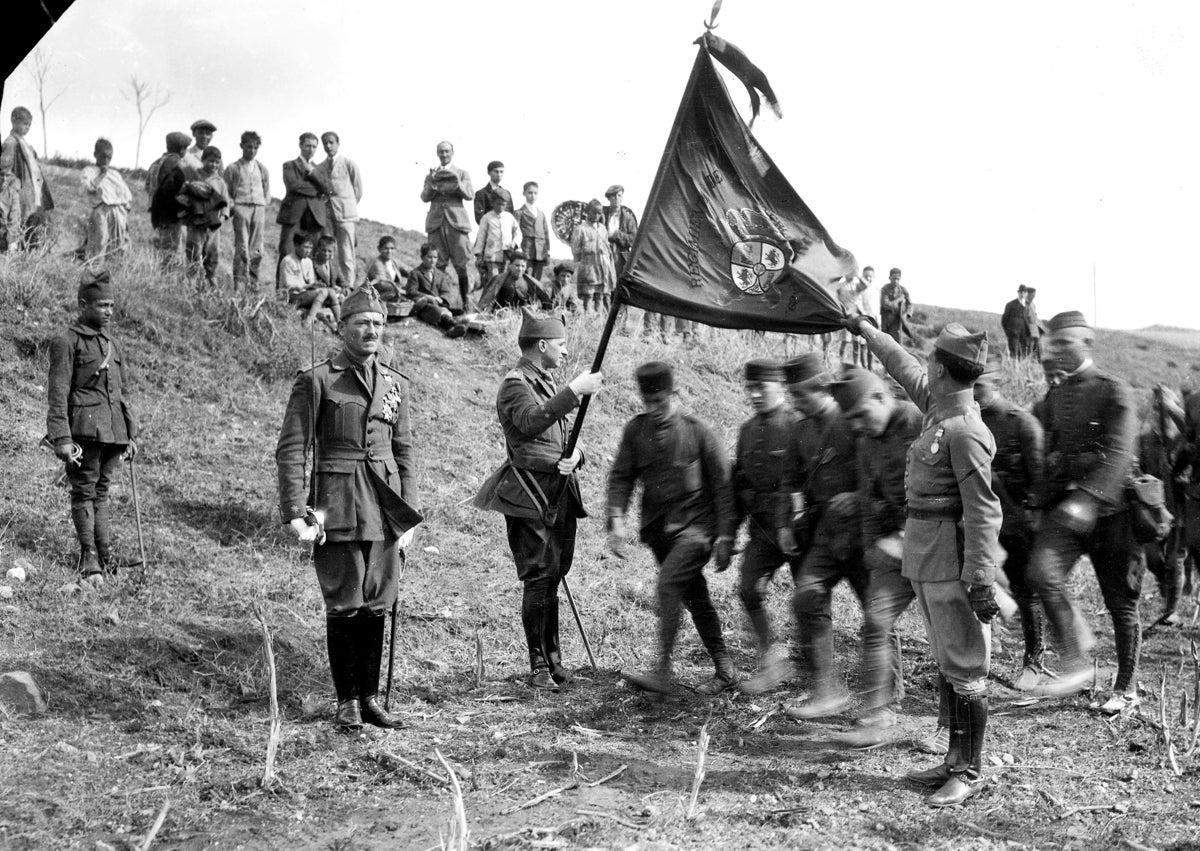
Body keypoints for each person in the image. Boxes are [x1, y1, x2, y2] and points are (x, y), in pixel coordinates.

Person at [847, 315, 1004, 808]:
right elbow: (901, 364)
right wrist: (870, 332)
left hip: (953, 561)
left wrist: (980, 578)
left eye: (931, 360)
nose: (925, 366)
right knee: (948, 662)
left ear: (941, 368)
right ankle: (954, 759)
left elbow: (983, 511)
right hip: (925, 555)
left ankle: (969, 771)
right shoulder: (939, 407)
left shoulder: (965, 430)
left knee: (966, 666)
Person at [275, 285, 422, 731]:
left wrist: (410, 513)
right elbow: (292, 448)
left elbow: (406, 450)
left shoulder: (394, 383)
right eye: (362, 323)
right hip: (335, 504)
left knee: (376, 602)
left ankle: (371, 698)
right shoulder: (317, 378)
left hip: (384, 506)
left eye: (378, 324)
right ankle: (347, 702)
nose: (372, 330)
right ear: (342, 328)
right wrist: (295, 511)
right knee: (344, 602)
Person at [473, 310, 603, 690]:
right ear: (542, 345)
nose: (565, 352)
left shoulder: (545, 381)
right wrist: (574, 391)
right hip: (530, 496)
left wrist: (578, 454)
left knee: (554, 576)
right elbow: (530, 423)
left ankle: (555, 659)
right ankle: (538, 667)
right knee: (538, 578)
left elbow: (560, 439)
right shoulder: (515, 384)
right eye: (561, 345)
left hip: (559, 494)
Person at [1024, 311, 1142, 715]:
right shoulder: (1054, 397)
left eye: (1064, 344)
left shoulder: (1114, 391)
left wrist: (1088, 498)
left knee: (1120, 602)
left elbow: (1120, 454)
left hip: (1111, 511)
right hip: (1066, 509)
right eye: (1052, 344)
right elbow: (1044, 457)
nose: (1055, 351)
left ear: (1086, 343)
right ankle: (1075, 660)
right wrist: (1041, 503)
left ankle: (1126, 686)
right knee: (1041, 571)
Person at [607, 362, 737, 695]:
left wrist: (724, 536)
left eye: (660, 403)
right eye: (648, 404)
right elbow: (622, 476)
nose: (654, 411)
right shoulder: (637, 432)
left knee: (668, 585)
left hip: (697, 530)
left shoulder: (698, 432)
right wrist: (617, 519)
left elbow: (724, 486)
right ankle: (725, 670)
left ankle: (662, 673)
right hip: (660, 533)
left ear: (675, 395)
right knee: (694, 594)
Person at [828, 368, 924, 747]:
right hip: (893, 549)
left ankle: (955, 728)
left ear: (882, 398)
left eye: (862, 416)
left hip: (940, 545)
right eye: (851, 421)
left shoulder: (921, 422)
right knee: (876, 619)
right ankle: (881, 709)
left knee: (952, 635)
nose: (858, 428)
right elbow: (869, 499)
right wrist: (871, 548)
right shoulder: (867, 438)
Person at [779, 354, 865, 719]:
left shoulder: (852, 421)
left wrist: (860, 499)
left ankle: (888, 701)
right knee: (807, 598)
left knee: (878, 615)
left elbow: (882, 471)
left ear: (822, 388)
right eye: (791, 395)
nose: (795, 402)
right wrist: (788, 521)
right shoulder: (801, 430)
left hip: (863, 537)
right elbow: (791, 480)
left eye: (800, 394)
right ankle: (825, 691)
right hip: (826, 537)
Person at [46, 270, 138, 583]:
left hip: (113, 432)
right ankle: (88, 556)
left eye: (111, 305)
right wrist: (61, 438)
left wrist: (130, 433)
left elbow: (121, 393)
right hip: (84, 431)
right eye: (102, 306)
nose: (109, 311)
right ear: (83, 305)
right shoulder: (66, 342)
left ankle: (107, 555)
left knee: (102, 493)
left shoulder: (112, 342)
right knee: (84, 492)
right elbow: (58, 393)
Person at [731, 358, 804, 694]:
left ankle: (813, 672)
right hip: (762, 529)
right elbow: (740, 483)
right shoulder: (747, 431)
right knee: (748, 589)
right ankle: (772, 663)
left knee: (809, 600)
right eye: (751, 388)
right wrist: (728, 533)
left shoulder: (798, 424)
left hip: (799, 530)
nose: (755, 394)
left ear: (781, 388)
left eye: (763, 387)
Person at [973, 352, 1046, 690]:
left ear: (995, 384)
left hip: (1015, 522)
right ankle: (986, 646)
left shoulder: (1022, 423)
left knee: (1024, 591)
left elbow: (1039, 483)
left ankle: (1033, 662)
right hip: (977, 521)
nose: (973, 392)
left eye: (980, 385)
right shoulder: (967, 420)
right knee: (976, 583)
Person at [1137, 384, 1189, 627]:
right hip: (1153, 509)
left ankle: (1171, 609)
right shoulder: (1145, 439)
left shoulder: (1183, 438)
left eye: (1164, 411)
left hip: (1179, 508)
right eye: (1156, 409)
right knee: (1153, 559)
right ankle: (1165, 587)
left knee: (1174, 561)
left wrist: (1170, 405)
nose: (1160, 416)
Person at [421, 141, 474, 309]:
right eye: (441, 152)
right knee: (438, 263)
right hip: (436, 222)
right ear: (437, 154)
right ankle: (438, 303)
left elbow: (469, 195)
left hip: (456, 223)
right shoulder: (432, 174)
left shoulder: (462, 173)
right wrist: (431, 182)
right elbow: (424, 197)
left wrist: (457, 181)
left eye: (446, 152)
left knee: (461, 263)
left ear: (452, 153)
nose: (444, 155)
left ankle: (465, 303)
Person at [1, 106, 55, 250]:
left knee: (29, 214)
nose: (27, 127)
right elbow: (4, 167)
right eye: (24, 123)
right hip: (17, 186)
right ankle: (17, 246)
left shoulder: (22, 142)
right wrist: (11, 183)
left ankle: (28, 245)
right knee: (18, 216)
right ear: (14, 121)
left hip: (27, 186)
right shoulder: (10, 142)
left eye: (29, 125)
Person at [224, 131, 271, 291]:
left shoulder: (262, 168)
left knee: (257, 249)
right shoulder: (233, 168)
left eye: (255, 148)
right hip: (241, 207)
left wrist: (263, 205)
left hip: (258, 208)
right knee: (242, 247)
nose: (252, 150)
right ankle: (239, 284)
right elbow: (227, 192)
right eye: (249, 147)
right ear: (241, 146)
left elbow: (267, 192)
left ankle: (253, 284)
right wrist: (233, 207)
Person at [179, 147, 231, 290]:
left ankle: (210, 283)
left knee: (212, 253)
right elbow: (184, 195)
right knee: (194, 250)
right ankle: (191, 282)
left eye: (216, 162)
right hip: (196, 222)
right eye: (210, 161)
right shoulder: (195, 176)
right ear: (203, 160)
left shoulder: (220, 182)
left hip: (213, 225)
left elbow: (226, 203)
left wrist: (223, 217)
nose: (213, 165)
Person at [316, 131, 363, 287]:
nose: (328, 146)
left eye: (331, 142)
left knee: (346, 253)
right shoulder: (320, 167)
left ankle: (349, 287)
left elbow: (358, 190)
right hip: (327, 215)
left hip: (346, 215)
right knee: (327, 251)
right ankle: (331, 286)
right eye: (325, 143)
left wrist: (346, 205)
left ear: (338, 143)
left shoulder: (349, 164)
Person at [277, 132, 332, 261]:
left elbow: (328, 188)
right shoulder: (289, 165)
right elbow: (293, 186)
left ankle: (309, 281)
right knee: (287, 250)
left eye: (314, 146)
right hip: (293, 214)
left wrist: (312, 173)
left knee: (311, 254)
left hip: (315, 217)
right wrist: (317, 190)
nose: (311, 150)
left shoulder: (321, 169)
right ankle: (283, 281)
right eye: (307, 146)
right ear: (300, 145)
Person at [80, 138, 132, 265]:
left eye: (109, 157)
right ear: (95, 155)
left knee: (118, 243)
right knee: (99, 241)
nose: (106, 160)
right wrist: (101, 174)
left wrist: (125, 213)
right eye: (103, 157)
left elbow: (126, 194)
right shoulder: (89, 171)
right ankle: (95, 270)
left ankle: (114, 270)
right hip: (102, 210)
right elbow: (89, 188)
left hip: (119, 211)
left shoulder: (115, 174)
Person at [277, 232, 340, 330]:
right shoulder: (288, 261)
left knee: (330, 291)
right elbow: (288, 284)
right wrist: (309, 286)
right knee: (323, 292)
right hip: (291, 296)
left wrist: (316, 285)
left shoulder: (308, 262)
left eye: (310, 248)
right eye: (306, 247)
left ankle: (340, 323)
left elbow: (311, 281)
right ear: (296, 245)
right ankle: (309, 320)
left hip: (305, 294)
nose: (308, 251)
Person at [148, 131, 191, 267]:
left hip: (157, 213)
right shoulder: (178, 163)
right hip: (173, 214)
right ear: (182, 149)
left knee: (162, 249)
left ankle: (163, 280)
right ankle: (170, 283)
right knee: (175, 252)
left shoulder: (155, 163)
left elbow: (148, 186)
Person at [405, 243, 467, 338]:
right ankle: (452, 325)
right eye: (429, 257)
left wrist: (442, 298)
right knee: (435, 311)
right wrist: (426, 297)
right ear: (422, 257)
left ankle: (452, 328)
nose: (432, 260)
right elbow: (411, 291)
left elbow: (446, 291)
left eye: (435, 257)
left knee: (457, 312)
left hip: (438, 304)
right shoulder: (415, 273)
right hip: (424, 306)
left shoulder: (440, 274)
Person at [570, 200, 616, 313]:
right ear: (587, 212)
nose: (596, 216)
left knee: (600, 294)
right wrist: (586, 251)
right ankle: (587, 317)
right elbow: (575, 249)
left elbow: (606, 245)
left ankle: (598, 320)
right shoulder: (581, 229)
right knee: (588, 294)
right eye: (593, 212)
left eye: (599, 213)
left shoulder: (602, 228)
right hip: (589, 266)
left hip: (603, 266)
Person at [479, 252, 553, 312]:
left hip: (522, 316)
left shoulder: (529, 282)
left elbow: (537, 300)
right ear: (510, 265)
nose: (520, 269)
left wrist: (533, 307)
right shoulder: (499, 279)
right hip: (500, 314)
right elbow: (489, 299)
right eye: (517, 265)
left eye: (523, 266)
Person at [474, 193, 521, 282]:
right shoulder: (486, 218)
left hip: (507, 254)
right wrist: (479, 255)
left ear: (506, 205)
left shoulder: (509, 217)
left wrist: (514, 243)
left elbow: (518, 232)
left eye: (503, 205)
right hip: (492, 255)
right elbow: (481, 237)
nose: (500, 207)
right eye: (498, 204)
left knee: (506, 280)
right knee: (494, 280)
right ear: (492, 203)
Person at [516, 181, 551, 281]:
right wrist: (518, 250)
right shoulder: (519, 213)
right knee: (526, 278)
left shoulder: (541, 214)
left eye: (535, 193)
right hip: (526, 251)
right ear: (524, 194)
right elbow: (516, 232)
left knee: (537, 281)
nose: (533, 196)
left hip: (540, 252)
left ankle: (535, 297)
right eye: (530, 193)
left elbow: (546, 234)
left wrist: (547, 253)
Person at [363, 236, 410, 302]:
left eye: (392, 248)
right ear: (379, 249)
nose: (389, 251)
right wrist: (401, 290)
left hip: (393, 292)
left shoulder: (394, 262)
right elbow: (384, 283)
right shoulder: (377, 263)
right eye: (386, 248)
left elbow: (410, 271)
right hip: (377, 295)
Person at [879, 268, 912, 345]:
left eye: (898, 279)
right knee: (885, 344)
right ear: (889, 278)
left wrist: (907, 314)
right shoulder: (884, 289)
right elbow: (886, 305)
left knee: (897, 344)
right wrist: (899, 299)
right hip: (886, 320)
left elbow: (909, 304)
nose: (896, 281)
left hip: (897, 320)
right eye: (894, 279)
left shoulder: (903, 290)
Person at [1001, 286, 1028, 357]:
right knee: (1013, 353)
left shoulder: (1027, 307)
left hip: (1023, 336)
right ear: (1018, 293)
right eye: (1021, 292)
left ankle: (1021, 368)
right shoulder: (1010, 305)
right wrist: (1009, 332)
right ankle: (1012, 368)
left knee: (1022, 354)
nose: (1022, 294)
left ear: (1026, 294)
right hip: (1013, 334)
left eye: (1024, 292)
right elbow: (1004, 320)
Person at [1024, 288, 1042, 359]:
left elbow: (1035, 315)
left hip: (1034, 327)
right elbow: (1024, 317)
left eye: (1034, 295)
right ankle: (1027, 361)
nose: (1034, 296)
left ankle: (1038, 361)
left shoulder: (1033, 304)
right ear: (1028, 294)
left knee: (1037, 345)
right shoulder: (1024, 304)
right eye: (1032, 295)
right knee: (1028, 346)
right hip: (1027, 327)